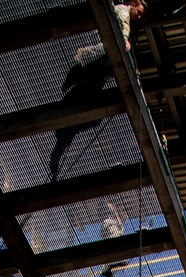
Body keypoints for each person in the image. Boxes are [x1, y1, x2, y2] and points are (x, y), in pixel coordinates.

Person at [50, 2, 147, 180]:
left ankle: (58, 155)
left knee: (81, 122)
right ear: (133, 5)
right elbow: (121, 26)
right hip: (96, 61)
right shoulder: (123, 11)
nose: (139, 16)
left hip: (91, 72)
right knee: (88, 110)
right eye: (139, 12)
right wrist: (125, 40)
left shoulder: (121, 13)